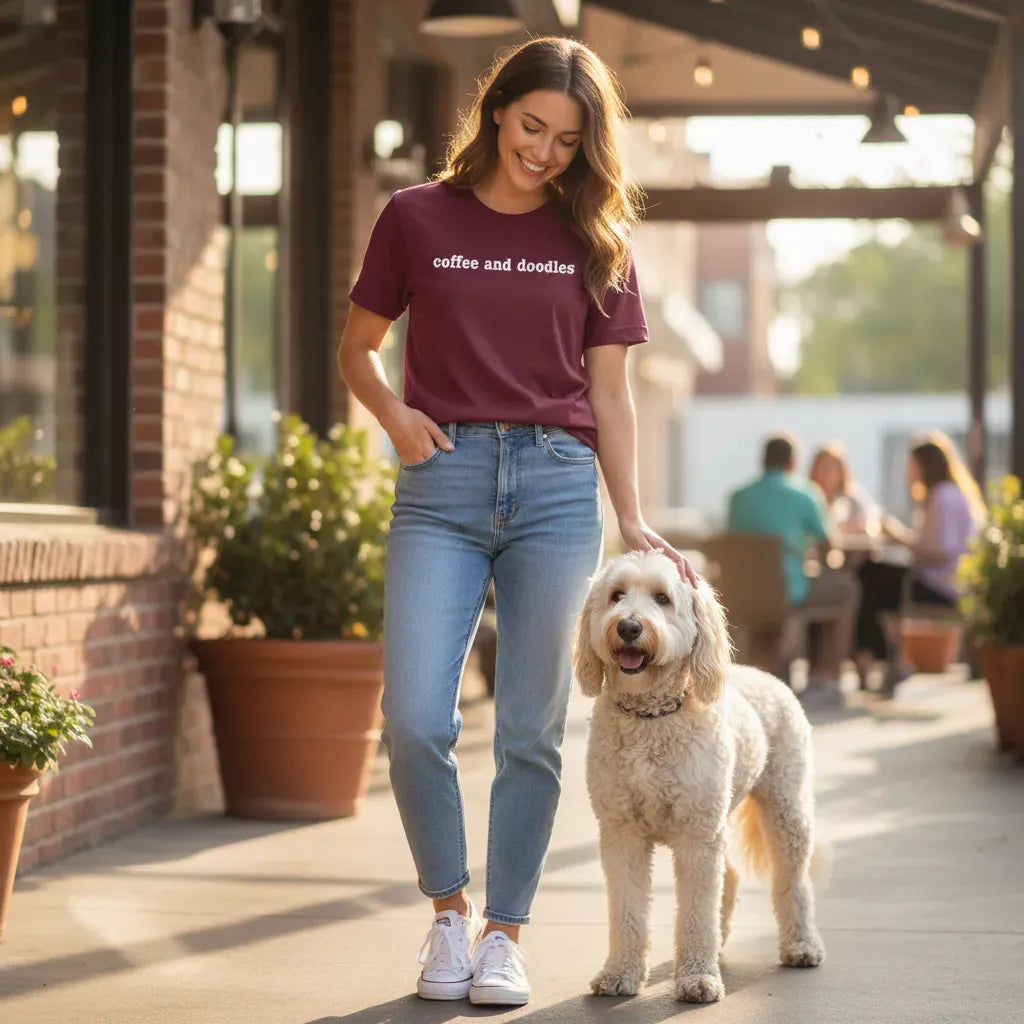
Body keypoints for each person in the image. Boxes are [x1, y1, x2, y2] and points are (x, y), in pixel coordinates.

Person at [338, 36, 696, 1008]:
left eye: (567, 140)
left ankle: (505, 933)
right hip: (441, 483)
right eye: (531, 126)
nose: (542, 151)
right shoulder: (416, 215)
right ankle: (448, 913)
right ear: (496, 109)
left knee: (532, 730)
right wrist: (395, 416)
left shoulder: (598, 241)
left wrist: (631, 515)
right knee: (415, 718)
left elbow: (610, 393)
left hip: (556, 487)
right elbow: (358, 348)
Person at [727, 433, 860, 683]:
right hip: (787, 591)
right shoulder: (805, 494)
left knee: (773, 598)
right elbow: (829, 543)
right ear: (793, 463)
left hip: (743, 592)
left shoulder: (738, 497)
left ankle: (770, 665)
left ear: (763, 461)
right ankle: (825, 675)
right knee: (845, 589)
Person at [854, 433, 985, 683]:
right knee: (871, 579)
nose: (908, 471)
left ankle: (877, 657)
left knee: (867, 579)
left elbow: (939, 551)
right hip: (941, 581)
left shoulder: (943, 496)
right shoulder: (946, 494)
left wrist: (898, 535)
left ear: (925, 465)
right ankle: (883, 658)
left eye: (911, 464)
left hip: (942, 586)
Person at [808, 441, 880, 537]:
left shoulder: (854, 502)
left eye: (831, 467)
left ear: (841, 471)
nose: (825, 473)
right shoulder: (807, 499)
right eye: (821, 466)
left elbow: (871, 528)